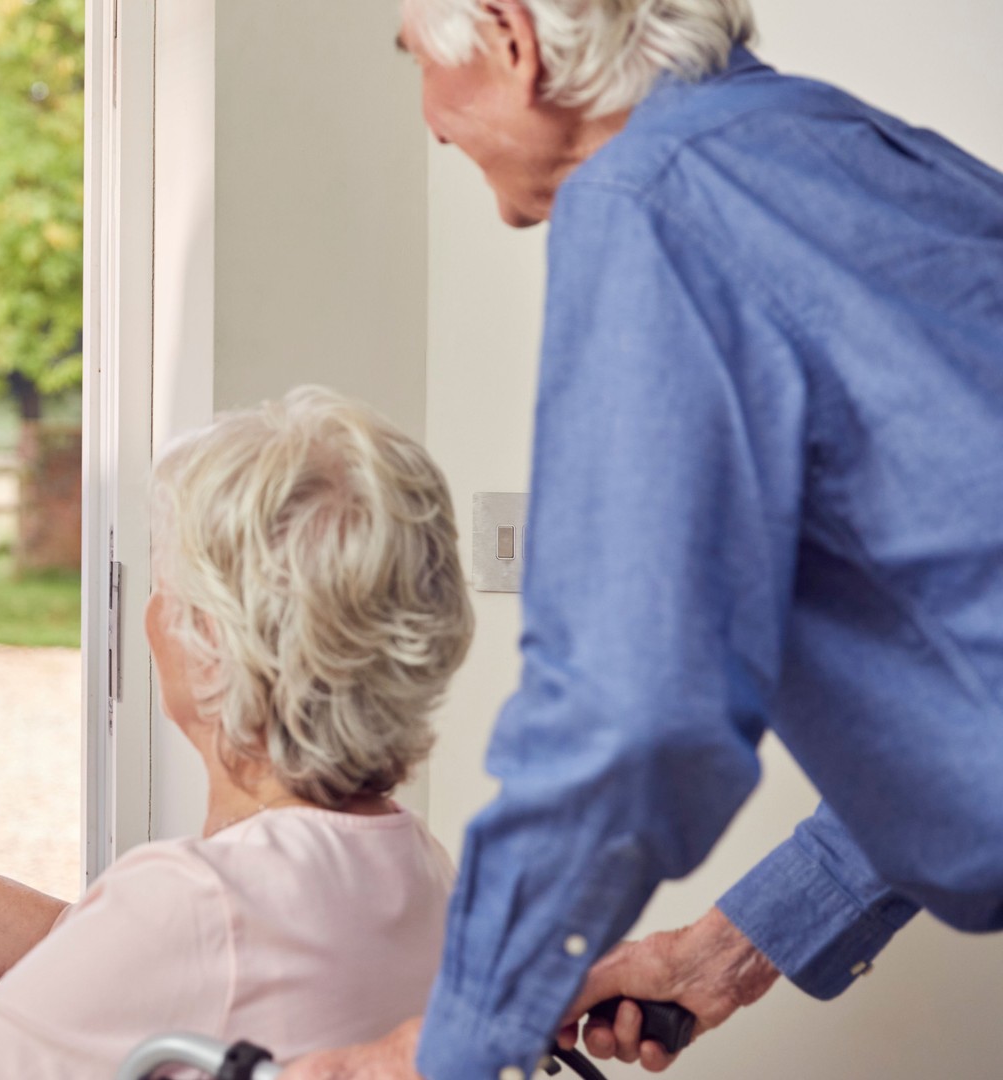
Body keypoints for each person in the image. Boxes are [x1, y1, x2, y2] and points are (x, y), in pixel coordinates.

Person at [282, 2, 1003, 1078]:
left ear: (508, 38)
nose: (431, 124)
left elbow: (627, 710)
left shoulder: (648, 198)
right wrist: (722, 955)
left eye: (417, 64)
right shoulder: (841, 151)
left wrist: (436, 1054)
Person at [0, 387, 474, 1078]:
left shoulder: (200, 902)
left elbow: (147, 959)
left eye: (166, 583)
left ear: (211, 643)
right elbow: (113, 969)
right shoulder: (419, 868)